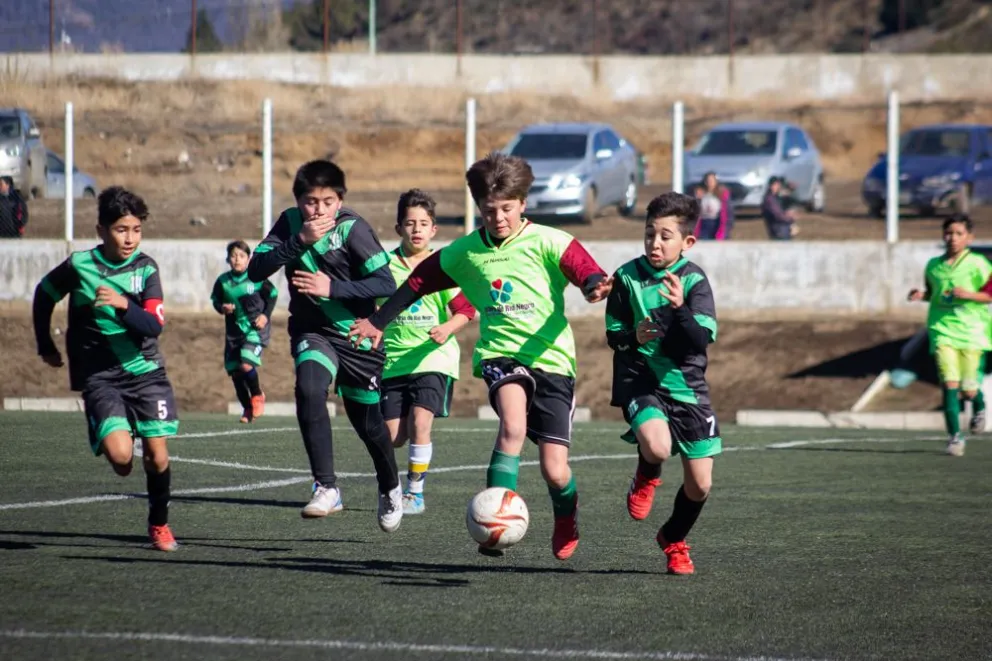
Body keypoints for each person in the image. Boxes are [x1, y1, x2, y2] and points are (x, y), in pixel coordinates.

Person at [349, 151, 612, 560]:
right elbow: (417, 281)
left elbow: (585, 269)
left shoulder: (549, 240)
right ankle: (497, 521)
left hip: (553, 360)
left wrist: (594, 285)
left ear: (523, 204)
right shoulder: (466, 251)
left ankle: (566, 514)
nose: (499, 218)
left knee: (555, 470)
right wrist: (379, 322)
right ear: (479, 209)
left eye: (507, 209)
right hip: (501, 356)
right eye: (490, 211)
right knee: (512, 426)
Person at [246, 160, 404, 531]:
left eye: (327, 202)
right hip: (312, 331)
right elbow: (255, 270)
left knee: (369, 426)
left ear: (340, 200)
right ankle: (327, 487)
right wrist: (298, 242)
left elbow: (386, 284)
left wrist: (332, 288)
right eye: (310, 202)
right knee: (310, 388)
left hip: (357, 335)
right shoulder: (289, 224)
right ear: (298, 200)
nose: (318, 210)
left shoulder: (353, 228)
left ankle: (390, 485)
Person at [32, 186, 179, 551]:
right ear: (101, 230)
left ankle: (159, 524)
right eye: (120, 229)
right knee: (121, 459)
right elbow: (44, 293)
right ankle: (109, 425)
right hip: (101, 377)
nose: (130, 238)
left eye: (136, 230)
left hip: (146, 372)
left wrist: (122, 305)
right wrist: (45, 344)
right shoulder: (81, 265)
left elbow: (153, 325)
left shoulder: (146, 269)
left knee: (158, 457)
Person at [606, 191, 721, 575]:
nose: (655, 243)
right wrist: (633, 337)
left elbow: (698, 341)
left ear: (687, 242)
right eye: (650, 234)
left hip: (688, 389)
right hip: (641, 379)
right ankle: (647, 472)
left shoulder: (693, 281)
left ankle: (672, 538)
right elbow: (614, 335)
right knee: (657, 446)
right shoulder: (627, 276)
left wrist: (679, 309)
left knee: (700, 486)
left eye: (666, 236)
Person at [380, 189, 476, 514]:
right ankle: (395, 486)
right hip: (393, 361)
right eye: (410, 223)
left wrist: (447, 328)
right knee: (393, 437)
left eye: (423, 223)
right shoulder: (384, 268)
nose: (417, 229)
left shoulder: (440, 268)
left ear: (434, 229)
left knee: (422, 422)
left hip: (433, 359)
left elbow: (465, 310)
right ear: (398, 228)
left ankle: (414, 494)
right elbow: (369, 308)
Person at [908, 214, 992, 457]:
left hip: (973, 332)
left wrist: (968, 294)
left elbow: (989, 295)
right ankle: (955, 438)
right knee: (949, 384)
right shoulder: (933, 265)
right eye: (948, 233)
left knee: (968, 388)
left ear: (969, 237)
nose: (952, 238)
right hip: (942, 329)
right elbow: (934, 294)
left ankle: (979, 408)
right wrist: (920, 295)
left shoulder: (979, 264)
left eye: (958, 234)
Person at [211, 240, 278, 424]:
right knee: (235, 373)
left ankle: (257, 395)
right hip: (234, 334)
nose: (237, 259)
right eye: (233, 256)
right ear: (228, 259)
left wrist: (265, 316)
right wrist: (221, 307)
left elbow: (272, 295)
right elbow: (215, 300)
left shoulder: (256, 278)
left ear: (248, 258)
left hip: (254, 330)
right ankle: (247, 407)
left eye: (241, 256)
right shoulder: (223, 282)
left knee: (246, 365)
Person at [694, 172, 733, 241]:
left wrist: (726, 229)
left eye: (712, 180)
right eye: (708, 181)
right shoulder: (700, 194)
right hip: (704, 224)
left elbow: (728, 213)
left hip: (716, 223)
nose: (710, 183)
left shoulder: (722, 194)